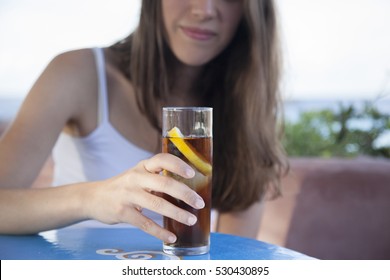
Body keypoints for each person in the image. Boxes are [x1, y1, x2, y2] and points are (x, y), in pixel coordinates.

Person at [0, 0, 287, 243]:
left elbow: (234, 256)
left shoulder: (246, 105)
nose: (204, 9)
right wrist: (92, 198)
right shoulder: (79, 72)